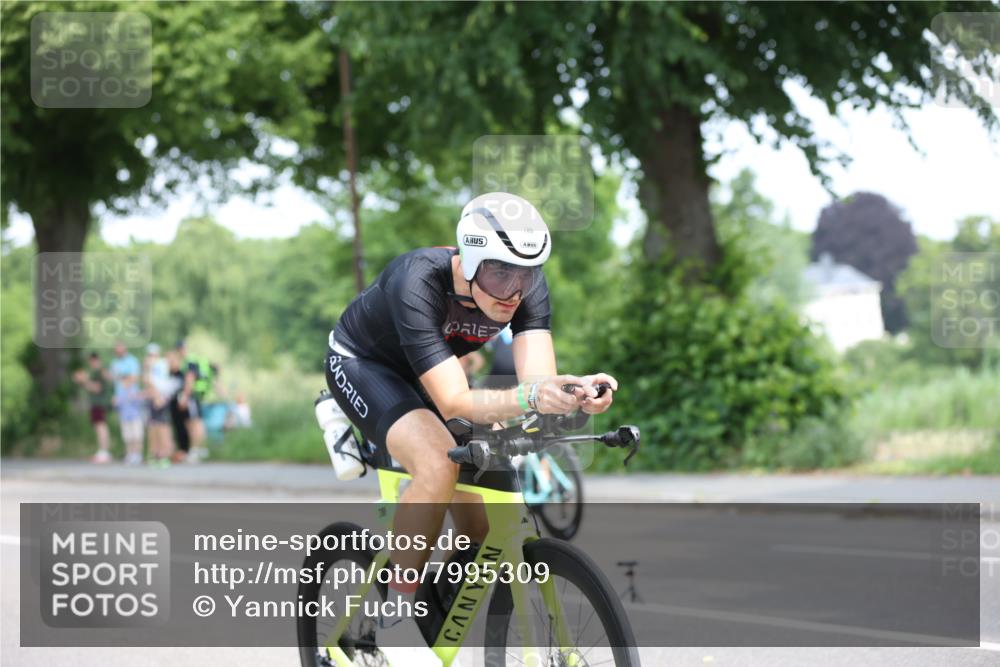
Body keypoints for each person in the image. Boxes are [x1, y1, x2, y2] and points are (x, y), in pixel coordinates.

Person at [323, 191, 617, 660]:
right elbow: (456, 400)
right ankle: (397, 611)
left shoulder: (523, 288)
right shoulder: (417, 280)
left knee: (484, 527)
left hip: (433, 371)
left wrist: (570, 394)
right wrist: (529, 397)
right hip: (366, 366)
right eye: (501, 271)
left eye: (527, 271)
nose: (515, 289)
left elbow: (536, 383)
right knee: (439, 464)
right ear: (473, 258)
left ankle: (435, 593)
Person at [73, 352, 113, 464]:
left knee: (101, 427)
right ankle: (102, 451)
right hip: (95, 404)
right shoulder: (95, 372)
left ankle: (104, 452)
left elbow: (97, 388)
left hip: (100, 403)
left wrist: (84, 380)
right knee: (98, 427)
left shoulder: (100, 371)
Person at [144, 344, 178, 467]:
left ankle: (164, 455)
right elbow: (147, 381)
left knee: (163, 427)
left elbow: (172, 368)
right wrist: (147, 368)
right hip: (153, 398)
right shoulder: (148, 366)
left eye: (153, 354)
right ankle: (155, 455)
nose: (151, 357)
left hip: (162, 398)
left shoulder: (162, 363)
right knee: (153, 427)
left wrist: (159, 396)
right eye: (150, 354)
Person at [113, 375, 145, 465]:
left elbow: (140, 402)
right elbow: (117, 405)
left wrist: (135, 397)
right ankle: (130, 454)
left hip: (135, 416)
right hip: (124, 417)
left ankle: (138, 454)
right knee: (128, 437)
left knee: (137, 436)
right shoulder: (120, 391)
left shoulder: (135, 390)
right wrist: (115, 402)